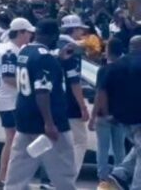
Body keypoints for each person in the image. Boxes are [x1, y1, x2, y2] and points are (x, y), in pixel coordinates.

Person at [3, 19, 77, 190]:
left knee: (17, 173)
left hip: (24, 119)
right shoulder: (45, 58)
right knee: (64, 171)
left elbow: (36, 65)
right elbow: (42, 91)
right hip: (47, 123)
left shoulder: (25, 51)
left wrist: (58, 58)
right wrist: (49, 123)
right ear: (54, 36)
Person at [0, 17, 36, 189]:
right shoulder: (11, 52)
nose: (30, 36)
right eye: (28, 33)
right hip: (8, 100)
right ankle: (4, 176)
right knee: (13, 140)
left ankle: (4, 176)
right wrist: (30, 88)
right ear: (20, 33)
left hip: (9, 100)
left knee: (13, 140)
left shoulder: (15, 50)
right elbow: (8, 77)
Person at [99, 35, 141, 190]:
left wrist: (107, 113)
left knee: (138, 147)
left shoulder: (116, 65)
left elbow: (102, 91)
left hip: (122, 119)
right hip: (139, 117)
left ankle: (120, 174)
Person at [56, 14, 90, 180]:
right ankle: (68, 177)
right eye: (80, 29)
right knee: (80, 141)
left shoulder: (55, 46)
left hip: (54, 101)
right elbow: (74, 81)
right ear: (74, 29)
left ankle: (50, 177)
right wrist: (82, 106)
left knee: (59, 143)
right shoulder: (72, 49)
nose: (81, 33)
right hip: (70, 103)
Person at [92, 37, 127, 184]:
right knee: (120, 148)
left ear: (109, 51)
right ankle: (120, 176)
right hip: (120, 115)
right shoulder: (125, 69)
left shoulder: (104, 70)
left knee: (103, 147)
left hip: (104, 115)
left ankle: (103, 177)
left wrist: (95, 115)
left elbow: (100, 93)